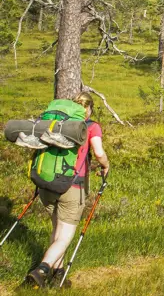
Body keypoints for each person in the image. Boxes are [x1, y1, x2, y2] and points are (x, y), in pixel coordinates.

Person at [24, 92, 110, 289]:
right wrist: (106, 166)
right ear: (89, 109)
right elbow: (98, 153)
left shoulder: (57, 124)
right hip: (72, 186)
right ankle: (42, 270)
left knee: (56, 229)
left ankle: (58, 274)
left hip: (47, 184)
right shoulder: (91, 126)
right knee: (64, 236)